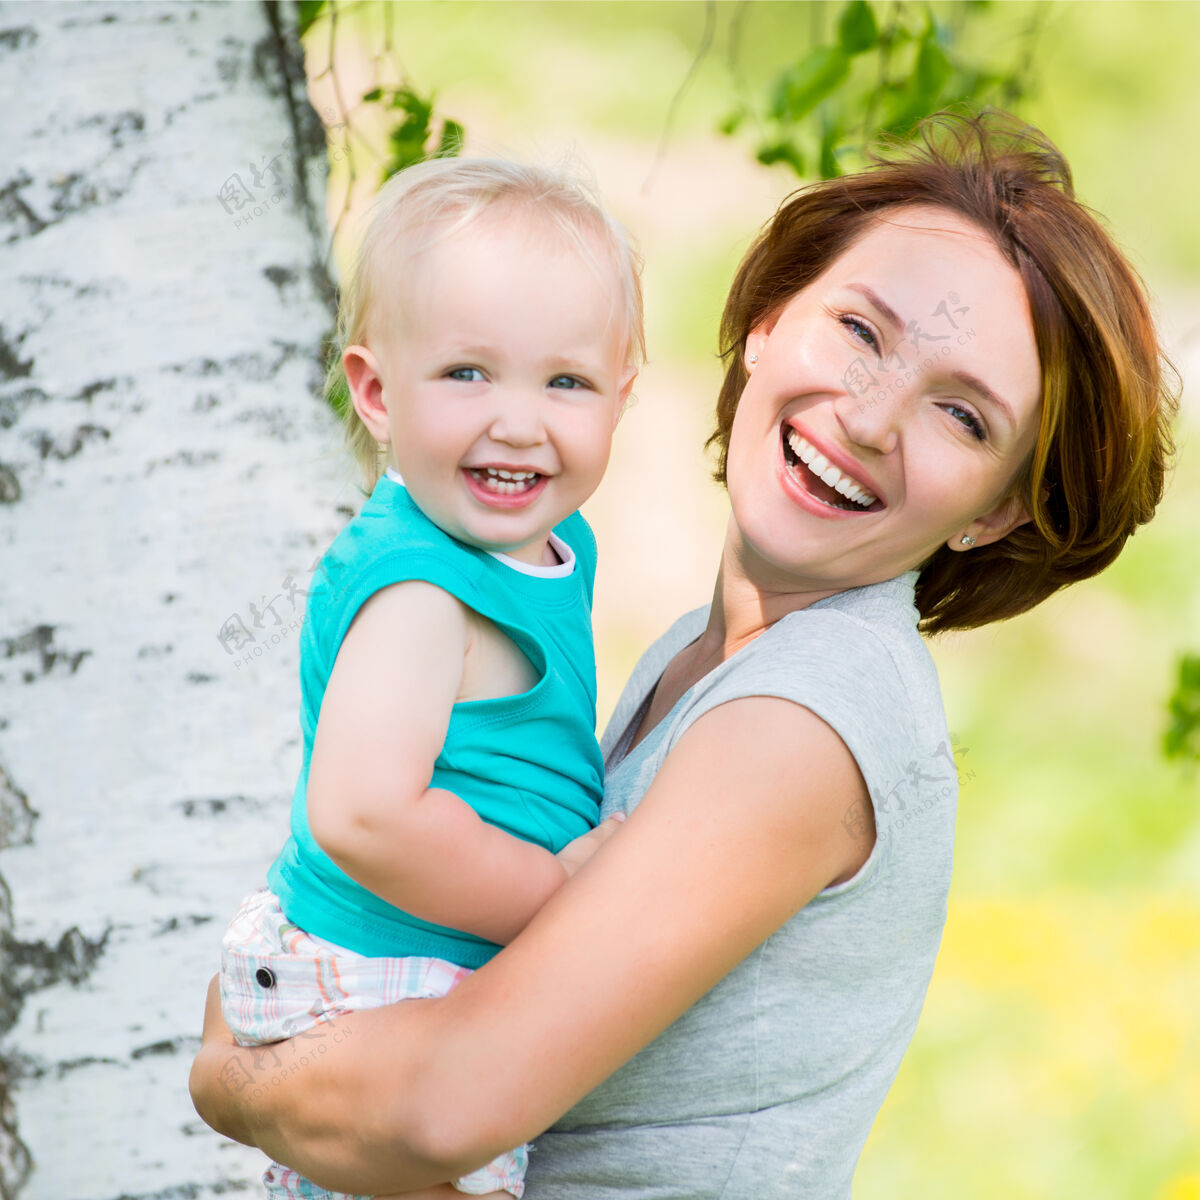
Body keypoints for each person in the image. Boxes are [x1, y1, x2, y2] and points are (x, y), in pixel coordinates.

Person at [191, 112, 1176, 1198]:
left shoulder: (809, 716)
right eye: (860, 331)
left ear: (990, 518)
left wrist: (234, 1075)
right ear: (765, 321)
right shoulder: (699, 652)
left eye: (962, 415)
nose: (870, 416)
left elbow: (442, 1107)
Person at [216, 157, 642, 1200]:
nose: (518, 420)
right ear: (376, 392)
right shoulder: (420, 592)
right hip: (377, 986)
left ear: (621, 398)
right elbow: (364, 815)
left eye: (566, 382)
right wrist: (553, 900)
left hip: (427, 971)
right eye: (467, 374)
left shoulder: (551, 543)